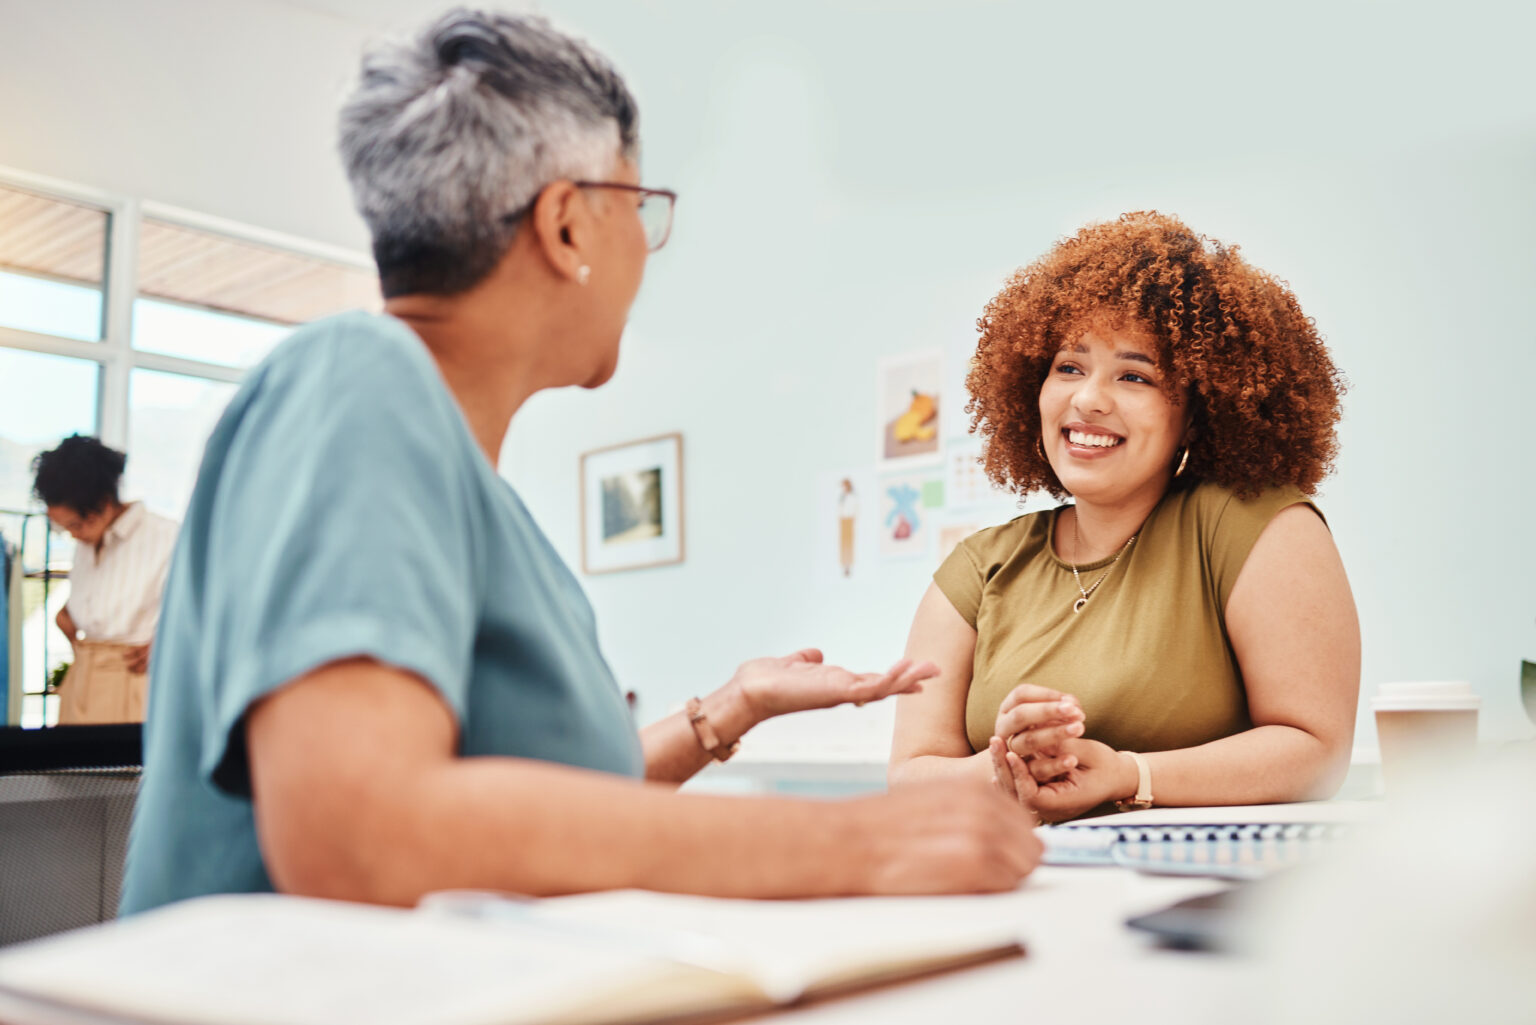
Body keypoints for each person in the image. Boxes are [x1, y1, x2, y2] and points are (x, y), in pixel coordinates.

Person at [118, 9, 1039, 914]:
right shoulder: (353, 379)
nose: (645, 247)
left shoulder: (470, 490)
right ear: (566, 226)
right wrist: (854, 842)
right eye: (638, 208)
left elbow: (535, 817)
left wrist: (728, 709)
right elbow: (361, 831)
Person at [889, 212, 1360, 822]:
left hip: (1199, 875)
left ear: (1195, 415)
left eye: (1134, 376)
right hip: (1016, 871)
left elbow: (1316, 751)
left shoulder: (1252, 526)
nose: (1088, 399)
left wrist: (1129, 774)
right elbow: (911, 778)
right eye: (1069, 367)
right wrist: (1013, 766)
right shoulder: (981, 567)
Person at [31, 435, 178, 724]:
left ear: (104, 503)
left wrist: (170, 642)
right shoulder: (87, 543)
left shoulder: (166, 538)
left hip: (134, 682)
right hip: (82, 679)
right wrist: (70, 614)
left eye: (75, 525)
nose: (73, 535)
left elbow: (210, 612)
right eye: (64, 528)